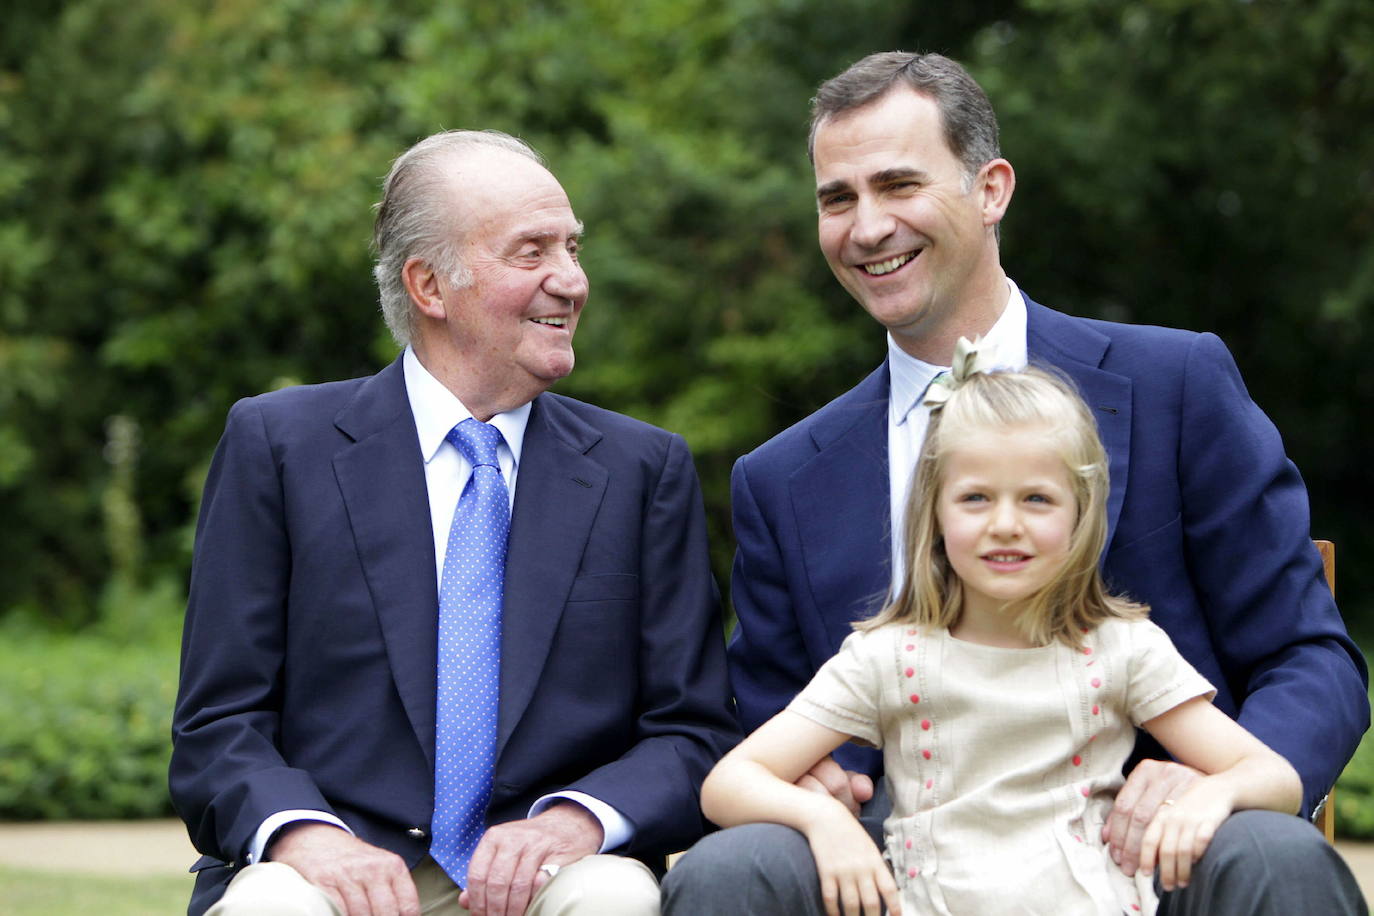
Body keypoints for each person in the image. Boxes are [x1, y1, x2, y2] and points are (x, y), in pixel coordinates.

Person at [662, 52, 1367, 914]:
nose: (867, 225)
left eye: (898, 185)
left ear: (991, 189)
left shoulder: (1177, 384)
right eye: (837, 198)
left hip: (1158, 842)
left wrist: (1215, 779)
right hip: (895, 863)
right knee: (731, 873)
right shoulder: (779, 478)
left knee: (1275, 857)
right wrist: (821, 799)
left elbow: (1307, 655)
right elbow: (772, 721)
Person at [170, 129, 739, 916]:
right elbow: (218, 723)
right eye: (532, 252)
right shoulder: (278, 447)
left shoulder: (643, 471)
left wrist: (576, 821)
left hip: (559, 872)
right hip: (332, 863)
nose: (571, 281)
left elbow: (694, 729)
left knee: (614, 902)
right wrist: (307, 837)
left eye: (572, 249)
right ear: (429, 286)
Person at [701, 351, 1303, 916]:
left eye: (1037, 498)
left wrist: (1210, 796)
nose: (1005, 525)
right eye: (976, 498)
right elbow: (729, 782)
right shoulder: (890, 658)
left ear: (1081, 511)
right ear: (934, 514)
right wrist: (822, 820)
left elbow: (1272, 775)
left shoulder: (1120, 649)